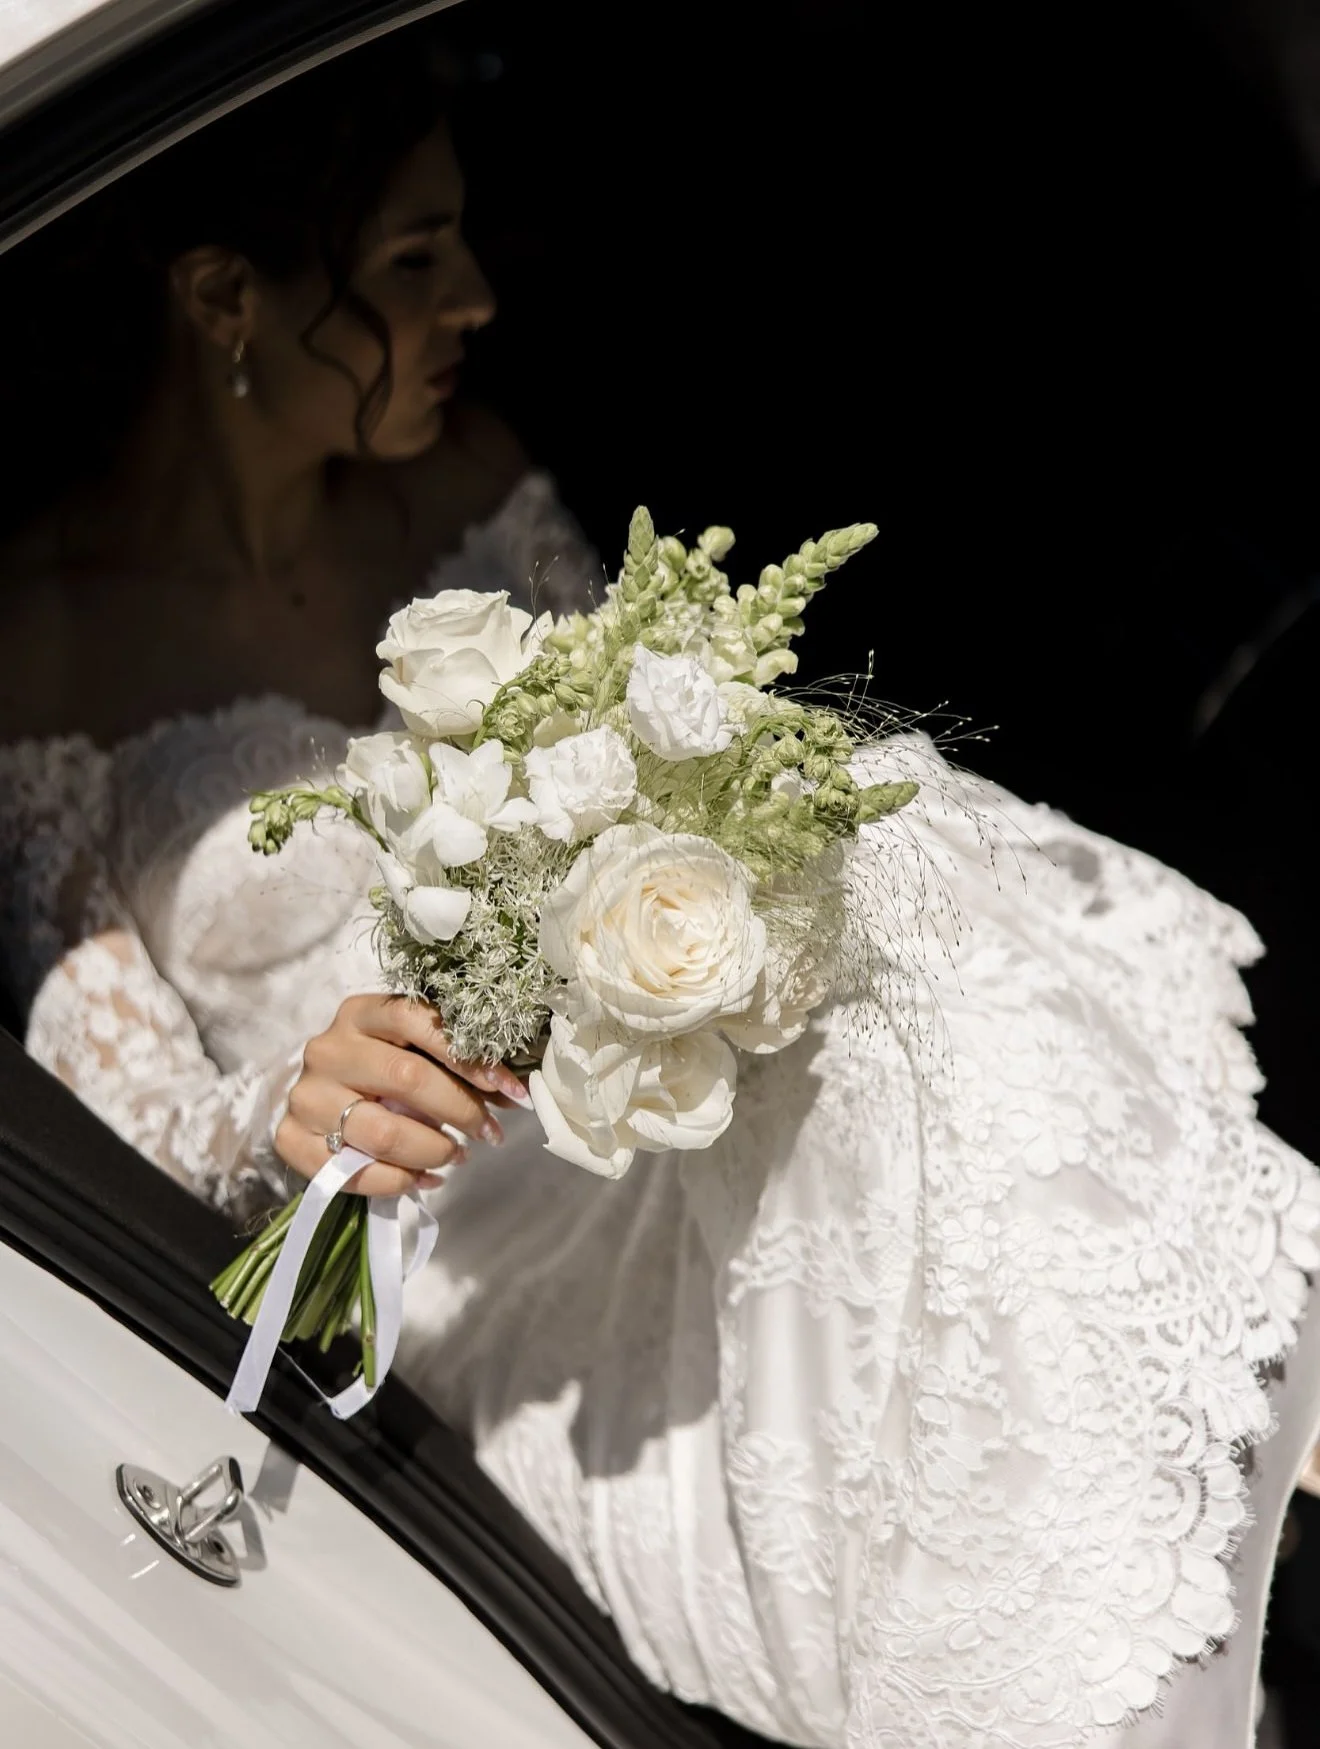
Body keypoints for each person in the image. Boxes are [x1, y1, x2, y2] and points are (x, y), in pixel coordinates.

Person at [0, 33, 1316, 1749]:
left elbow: (672, 721)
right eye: (411, 260)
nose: (473, 297)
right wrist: (301, 1106)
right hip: (458, 1231)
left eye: (458, 238)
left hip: (662, 1081)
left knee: (899, 913)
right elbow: (123, 1117)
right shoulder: (37, 656)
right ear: (225, 299)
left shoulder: (457, 479)